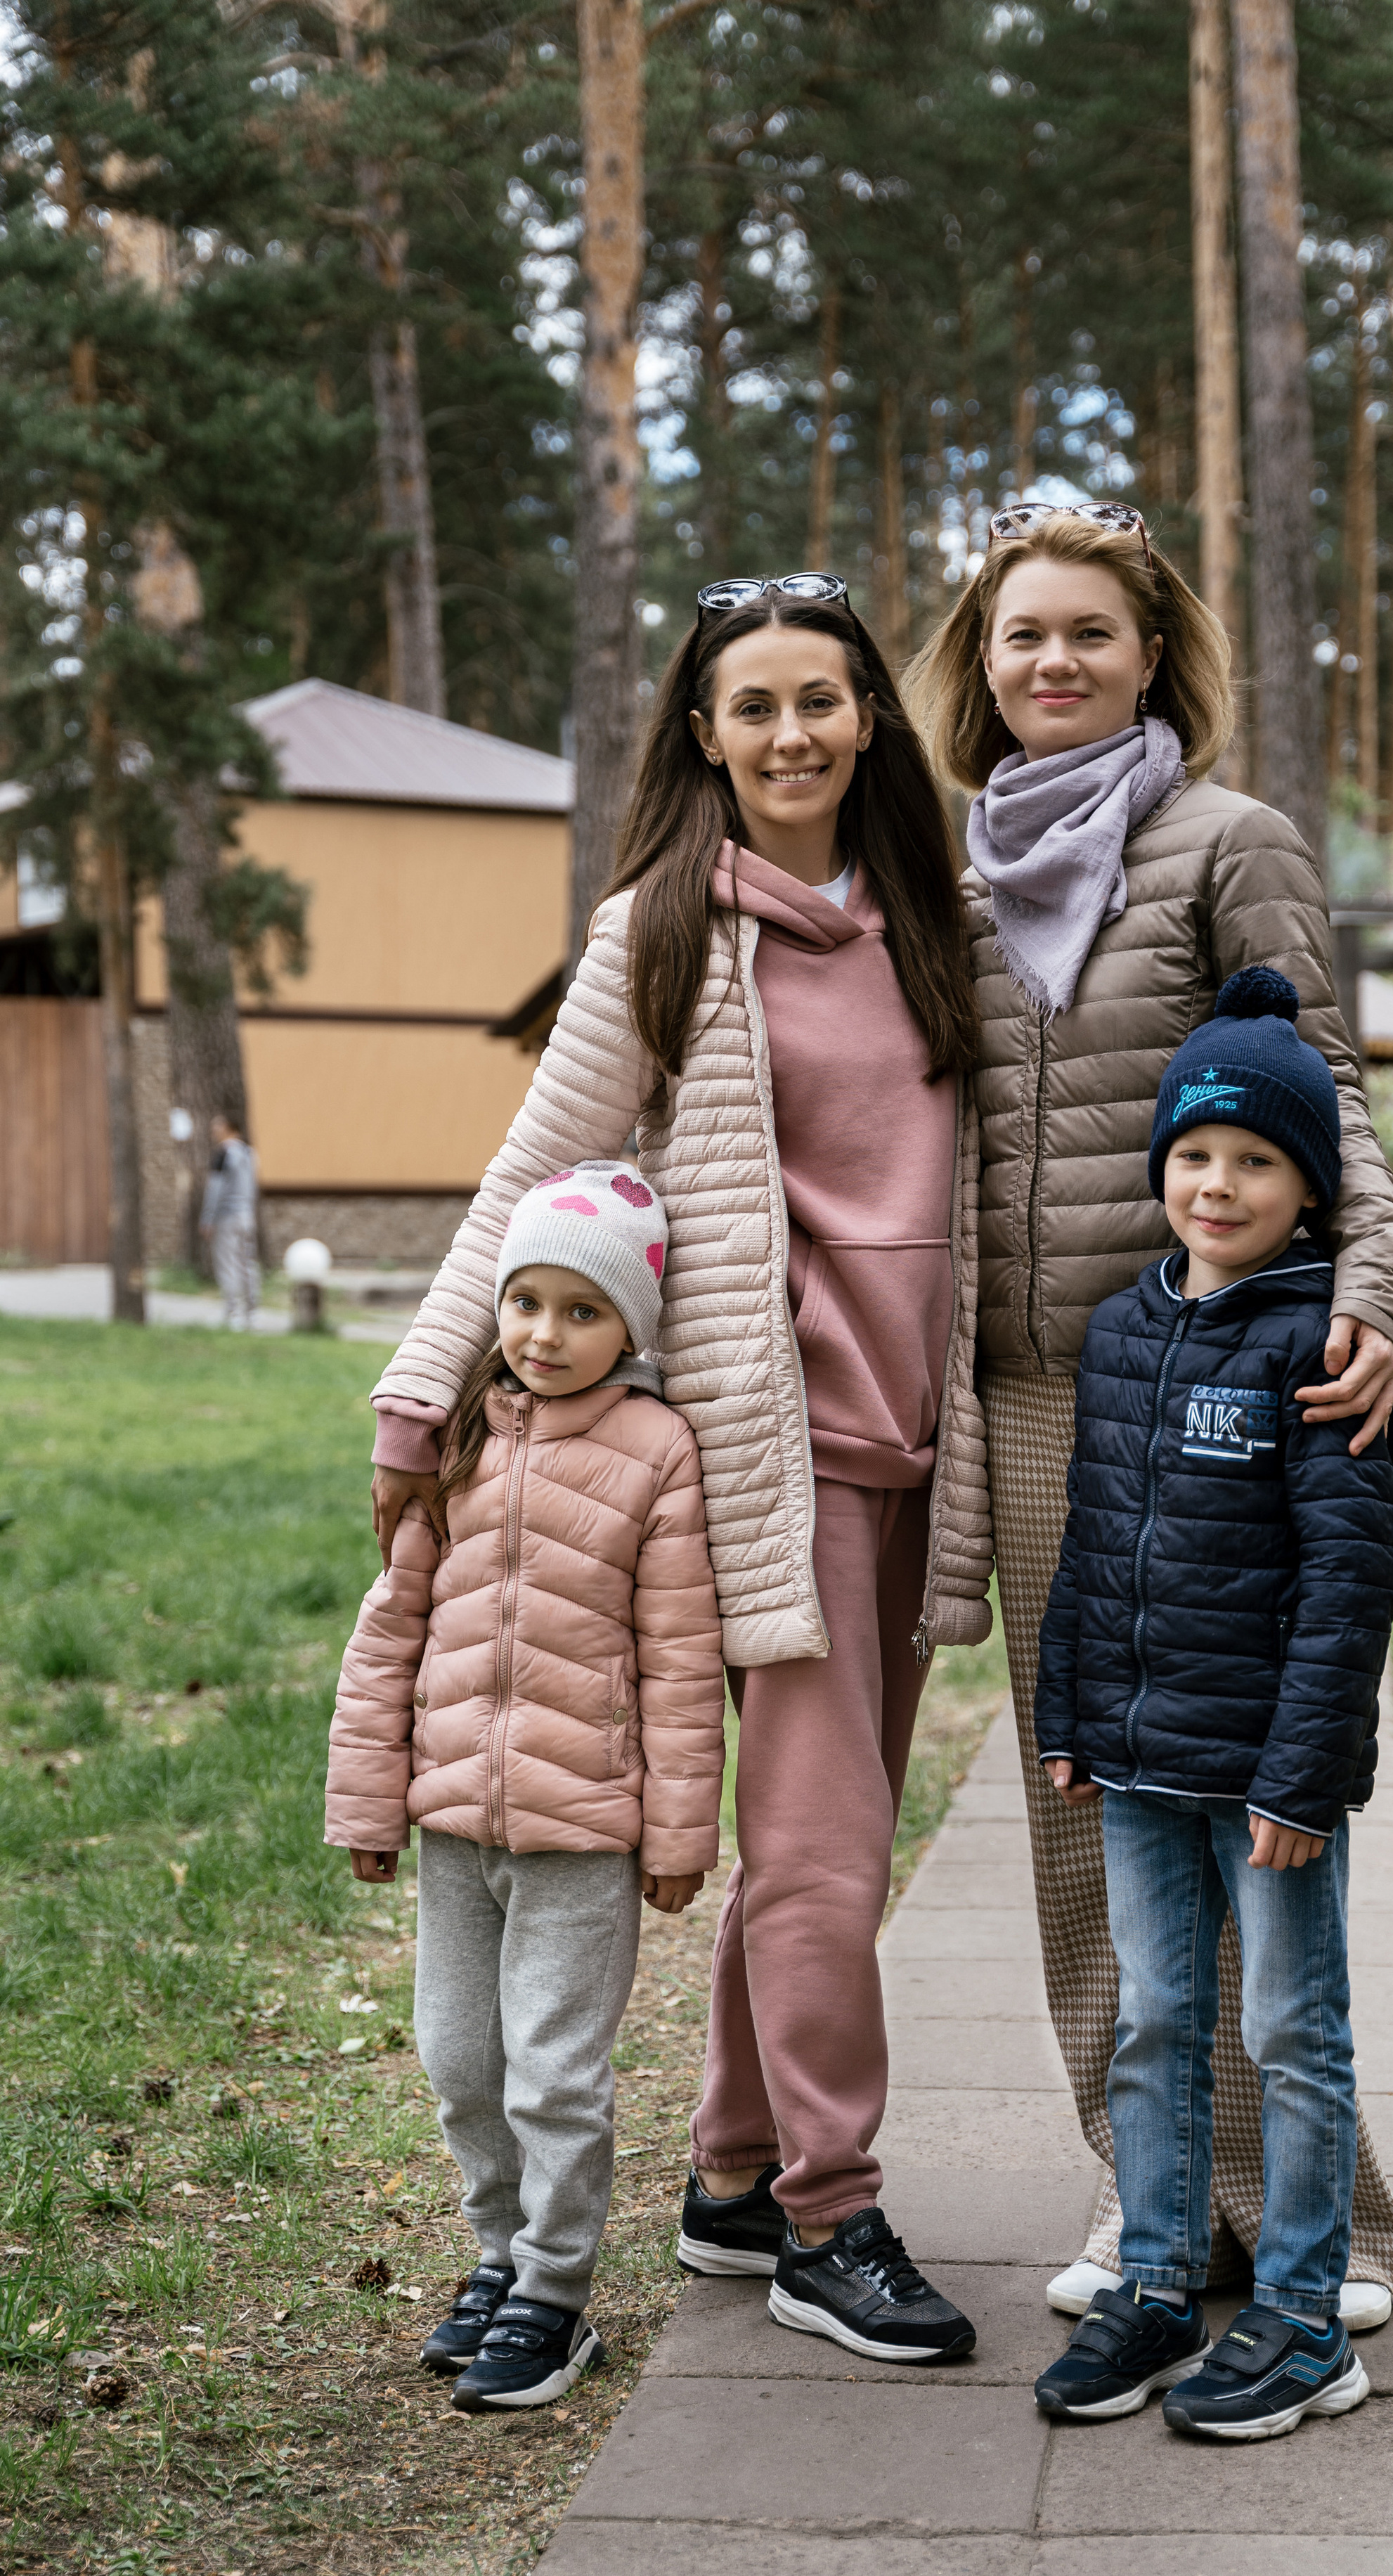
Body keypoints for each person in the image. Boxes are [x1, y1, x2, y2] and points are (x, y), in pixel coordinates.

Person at [362, 574, 992, 2366]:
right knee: (821, 1854)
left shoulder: (928, 918)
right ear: (701, 735)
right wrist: (425, 1392)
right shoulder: (662, 928)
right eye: (751, 706)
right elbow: (531, 1166)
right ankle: (826, 2211)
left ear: (869, 716)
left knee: (817, 1842)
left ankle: (730, 2173)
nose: (788, 733)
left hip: (897, 1452)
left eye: (819, 699)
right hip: (739, 1456)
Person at [905, 501, 1393, 2324]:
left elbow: (1328, 1088)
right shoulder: (941, 869)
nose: (1054, 661)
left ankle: (1323, 2217)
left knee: (1243, 1801)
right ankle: (1153, 2204)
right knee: (1087, 1815)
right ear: (979, 661)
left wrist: (1373, 1289)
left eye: (1090, 635)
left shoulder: (1228, 841)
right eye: (1020, 634)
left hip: (1210, 1381)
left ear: (1150, 654)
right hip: (1031, 1408)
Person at [1030, 971, 1393, 2433]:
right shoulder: (1122, 1334)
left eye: (1253, 1160)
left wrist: (1303, 1781)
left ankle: (1307, 2317)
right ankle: (1158, 2277)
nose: (1216, 1183)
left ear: (1306, 1187)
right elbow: (1088, 1537)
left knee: (1289, 2036)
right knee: (1153, 2018)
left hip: (1266, 1778)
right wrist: (1065, 1709)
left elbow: (1346, 1585)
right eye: (1194, 1154)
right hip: (1130, 1758)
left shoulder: (1319, 1350)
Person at [325, 1164, 725, 2412]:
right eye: (526, 1304)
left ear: (632, 1328)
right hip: (454, 1825)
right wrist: (368, 1799)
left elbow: (679, 1658)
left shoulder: (657, 1452)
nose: (545, 1336)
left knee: (552, 2071)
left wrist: (676, 1833)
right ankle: (495, 2258)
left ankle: (556, 2295)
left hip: (581, 1834)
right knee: (459, 2059)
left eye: (581, 1311)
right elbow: (390, 1627)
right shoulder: (464, 1439)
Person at [200, 1111, 260, 1331]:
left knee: (228, 1264)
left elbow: (214, 1189)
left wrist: (207, 1218)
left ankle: (233, 1313)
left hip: (226, 1217)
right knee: (248, 1265)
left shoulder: (224, 1154)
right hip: (247, 1216)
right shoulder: (249, 1153)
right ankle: (252, 1314)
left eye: (218, 1126)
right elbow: (253, 1187)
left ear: (230, 1128)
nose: (213, 1131)